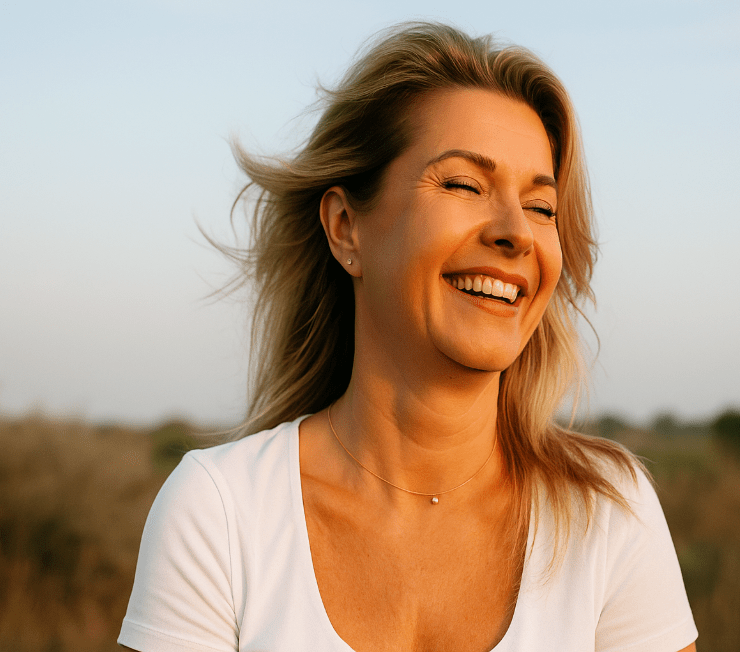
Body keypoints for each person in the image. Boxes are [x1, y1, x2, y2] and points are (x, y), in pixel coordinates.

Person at [119, 21, 697, 652]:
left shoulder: (608, 515)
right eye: (463, 184)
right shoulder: (220, 512)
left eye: (541, 207)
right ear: (346, 227)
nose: (515, 233)